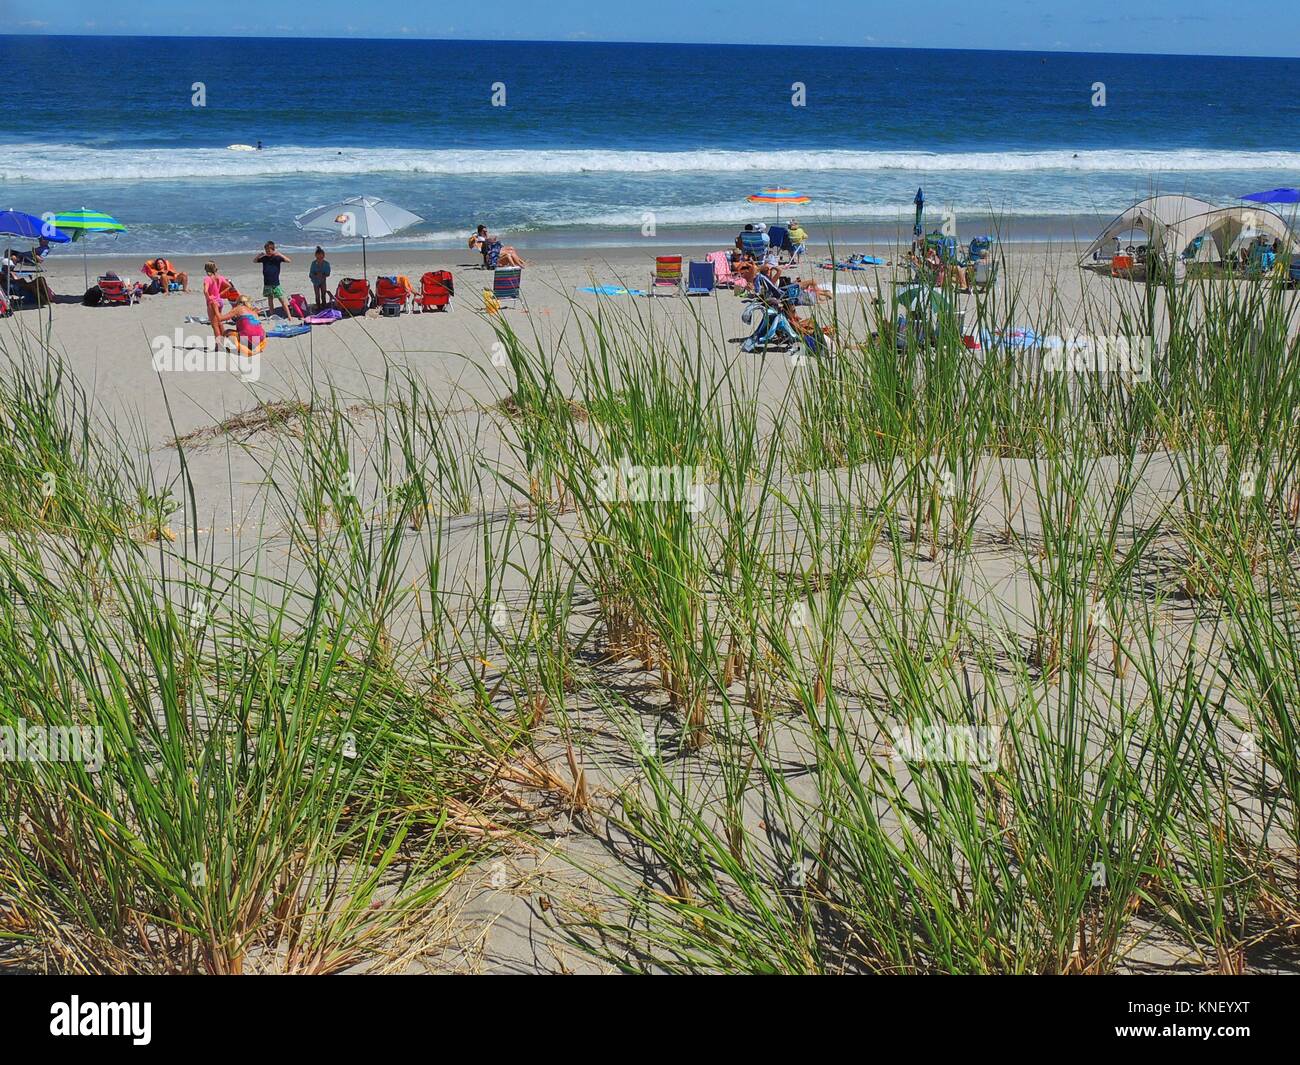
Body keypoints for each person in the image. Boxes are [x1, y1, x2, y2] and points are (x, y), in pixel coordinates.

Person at [253, 241, 292, 318]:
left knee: (282, 299)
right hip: (267, 283)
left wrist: (280, 254)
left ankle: (289, 316)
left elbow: (289, 260)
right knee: (270, 300)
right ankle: (272, 315)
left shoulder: (277, 258)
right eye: (266, 250)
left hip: (275, 283)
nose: (267, 251)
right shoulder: (264, 258)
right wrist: (259, 255)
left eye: (269, 250)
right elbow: (254, 261)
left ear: (273, 249)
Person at [201, 261, 228, 341]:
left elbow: (205, 291)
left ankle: (219, 344)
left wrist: (208, 298)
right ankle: (225, 339)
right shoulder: (220, 277)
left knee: (214, 325)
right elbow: (229, 286)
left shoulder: (208, 279)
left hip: (213, 302)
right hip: (219, 301)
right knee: (219, 322)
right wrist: (219, 293)